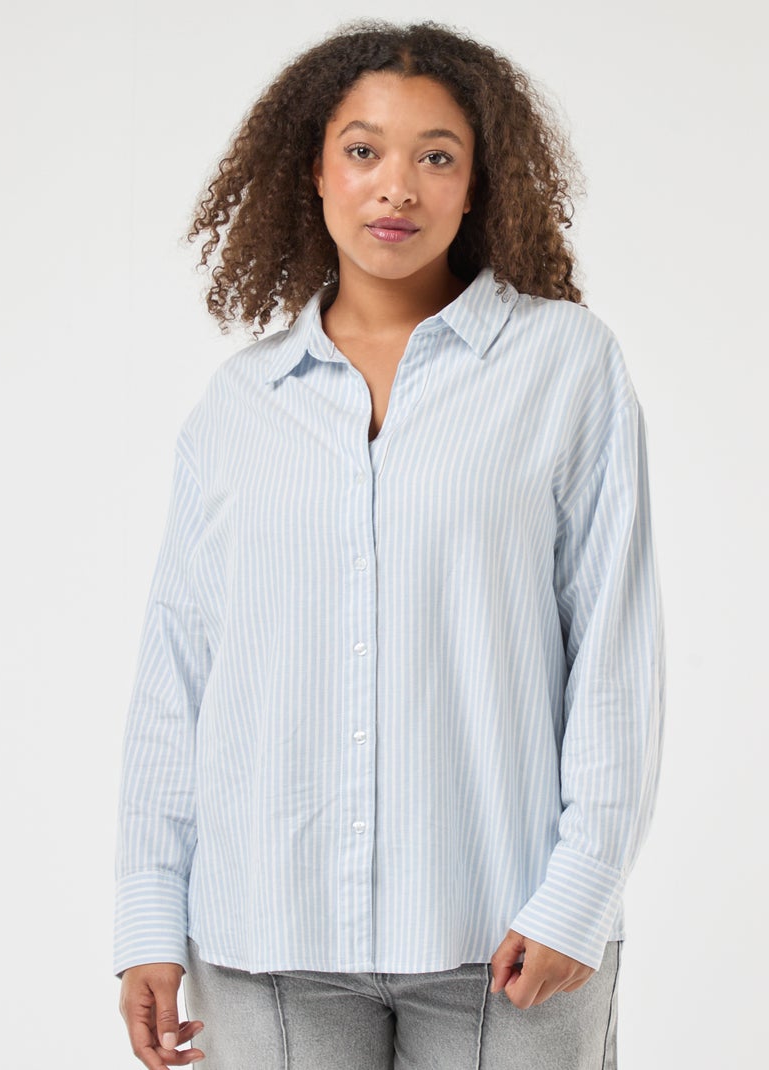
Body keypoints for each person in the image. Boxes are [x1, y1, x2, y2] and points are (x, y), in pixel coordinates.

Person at [114, 19, 665, 1070]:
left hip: (510, 931)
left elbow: (615, 646)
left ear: (477, 183)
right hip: (266, 938)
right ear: (314, 171)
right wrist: (148, 912)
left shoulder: (565, 364)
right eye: (363, 150)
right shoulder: (238, 405)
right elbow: (177, 670)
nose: (396, 187)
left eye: (436, 156)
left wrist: (581, 890)